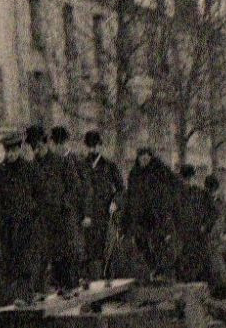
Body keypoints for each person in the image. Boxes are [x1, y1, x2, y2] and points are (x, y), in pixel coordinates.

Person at [0, 131, 44, 304]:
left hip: (27, 223)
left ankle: (24, 296)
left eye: (13, 150)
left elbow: (41, 193)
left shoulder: (30, 169)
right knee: (9, 259)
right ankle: (9, 298)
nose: (10, 154)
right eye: (7, 151)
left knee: (26, 260)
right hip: (7, 223)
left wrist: (32, 211)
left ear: (19, 149)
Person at [33, 125, 86, 293]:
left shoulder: (61, 162)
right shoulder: (33, 167)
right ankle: (61, 289)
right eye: (34, 147)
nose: (37, 150)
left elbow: (75, 186)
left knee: (67, 255)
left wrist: (65, 204)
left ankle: (72, 288)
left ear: (46, 144)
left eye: (40, 146)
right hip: (45, 218)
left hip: (63, 216)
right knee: (53, 255)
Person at [124, 147, 179, 280]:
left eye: (146, 158)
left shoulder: (160, 171)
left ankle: (161, 272)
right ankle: (153, 269)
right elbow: (130, 195)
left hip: (157, 215)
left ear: (150, 158)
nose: (144, 160)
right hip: (140, 216)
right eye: (141, 158)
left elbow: (174, 187)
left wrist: (165, 205)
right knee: (140, 242)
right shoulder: (134, 174)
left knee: (159, 242)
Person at [81, 129, 122, 281]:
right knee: (89, 252)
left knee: (106, 249)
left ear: (100, 146)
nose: (92, 149)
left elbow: (120, 189)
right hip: (87, 215)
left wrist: (115, 202)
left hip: (104, 213)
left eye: (95, 146)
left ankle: (108, 282)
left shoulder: (109, 166)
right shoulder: (82, 165)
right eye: (89, 146)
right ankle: (91, 284)